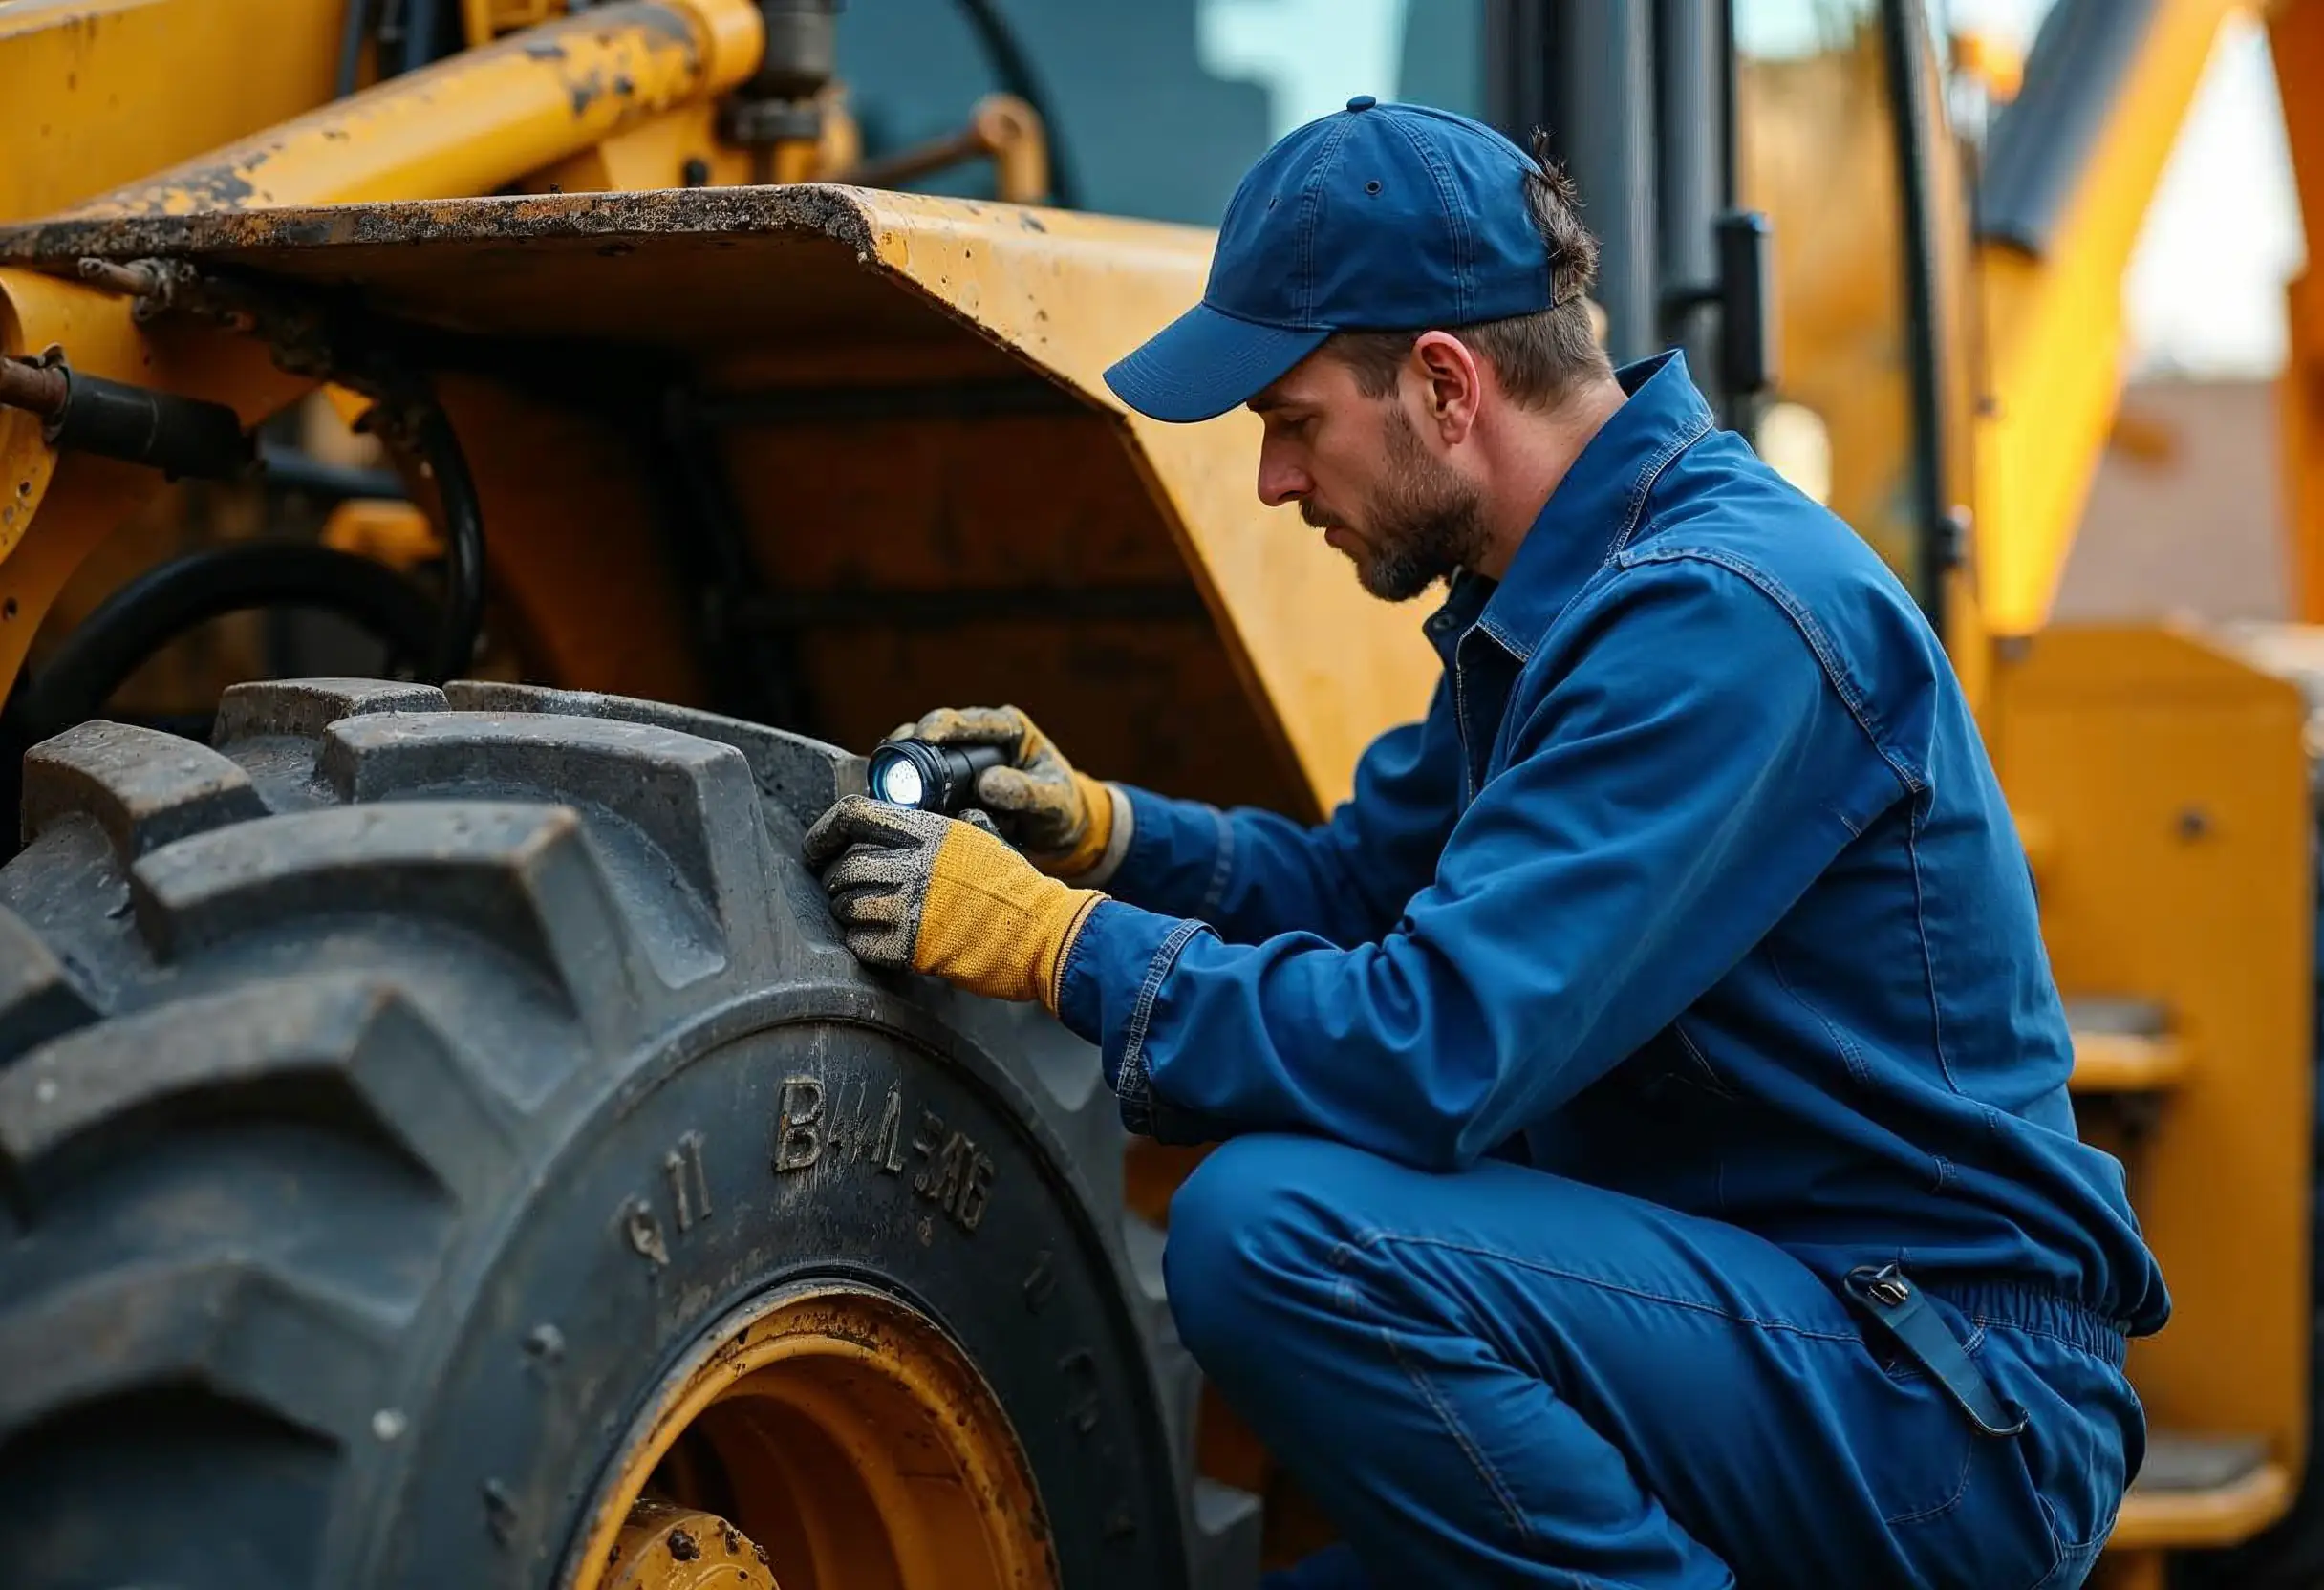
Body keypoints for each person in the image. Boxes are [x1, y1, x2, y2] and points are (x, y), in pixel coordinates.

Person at [802, 97, 2166, 1590]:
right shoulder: (1563, 604)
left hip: (1932, 1405)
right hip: (1754, 1342)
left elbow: (1433, 1045)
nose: (1273, 481)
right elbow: (1355, 888)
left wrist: (1053, 944)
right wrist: (1107, 838)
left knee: (1274, 1231)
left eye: (1291, 421)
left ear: (1446, 387)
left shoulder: (1719, 616)